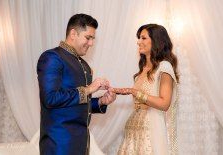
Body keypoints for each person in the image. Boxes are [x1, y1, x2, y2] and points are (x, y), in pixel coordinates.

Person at [37, 13, 116, 155]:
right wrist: (89, 89)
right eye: (88, 37)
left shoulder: (84, 66)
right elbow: (50, 98)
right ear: (73, 33)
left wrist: (101, 102)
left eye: (93, 39)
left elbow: (78, 105)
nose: (91, 43)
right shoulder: (52, 57)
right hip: (58, 145)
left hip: (82, 145)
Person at [114, 24, 179, 155]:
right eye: (139, 38)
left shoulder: (164, 67)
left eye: (143, 38)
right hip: (133, 129)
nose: (138, 42)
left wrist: (135, 92)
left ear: (156, 41)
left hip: (151, 132)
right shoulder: (143, 69)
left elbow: (164, 103)